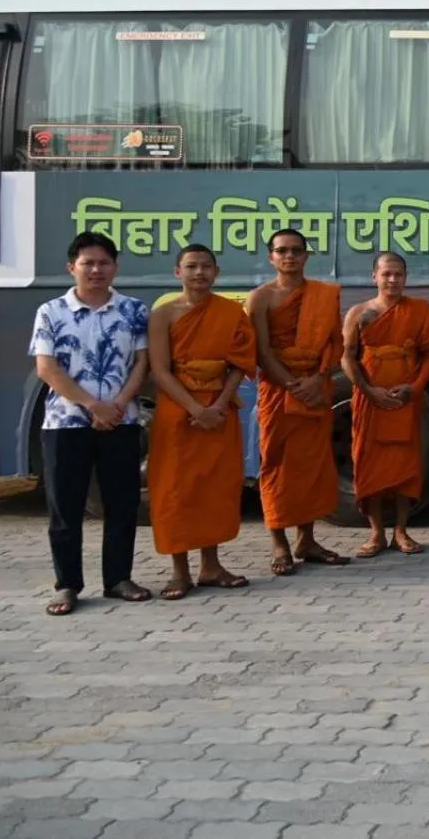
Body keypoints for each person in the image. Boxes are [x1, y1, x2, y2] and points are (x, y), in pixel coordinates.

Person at [29, 231, 152, 616]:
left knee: (122, 503)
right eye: (88, 263)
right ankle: (67, 585)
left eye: (104, 263)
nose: (96, 270)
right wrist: (92, 406)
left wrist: (117, 405)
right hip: (65, 424)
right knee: (65, 507)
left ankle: (119, 579)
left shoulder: (134, 310)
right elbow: (47, 368)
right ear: (72, 267)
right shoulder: (51, 312)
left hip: (121, 421)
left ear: (115, 267)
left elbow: (142, 364)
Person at [145, 245, 257, 599]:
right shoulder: (162, 315)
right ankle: (179, 571)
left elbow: (240, 363)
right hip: (179, 411)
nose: (199, 273)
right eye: (191, 266)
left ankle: (211, 566)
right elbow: (160, 370)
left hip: (219, 409)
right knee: (176, 490)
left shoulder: (231, 312)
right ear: (177, 272)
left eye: (206, 266)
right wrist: (195, 408)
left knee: (215, 487)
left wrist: (219, 404)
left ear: (216, 272)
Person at [247, 229, 352, 577]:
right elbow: (261, 351)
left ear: (306, 256)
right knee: (276, 464)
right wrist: (292, 385)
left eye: (296, 251)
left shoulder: (323, 294)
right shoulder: (260, 298)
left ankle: (307, 540)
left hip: (315, 386)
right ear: (271, 258)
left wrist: (318, 379)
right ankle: (279, 542)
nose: (289, 256)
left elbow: (333, 343)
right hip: (279, 391)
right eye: (282, 251)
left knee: (312, 465)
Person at [342, 252, 429, 558]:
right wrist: (369, 390)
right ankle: (376, 534)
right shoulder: (359, 312)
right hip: (369, 400)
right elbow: (347, 358)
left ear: (406, 277)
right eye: (386, 274)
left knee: (405, 467)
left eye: (398, 274)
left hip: (404, 399)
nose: (393, 280)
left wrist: (414, 388)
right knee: (368, 465)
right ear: (374, 276)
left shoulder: (420, 310)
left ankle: (401, 531)